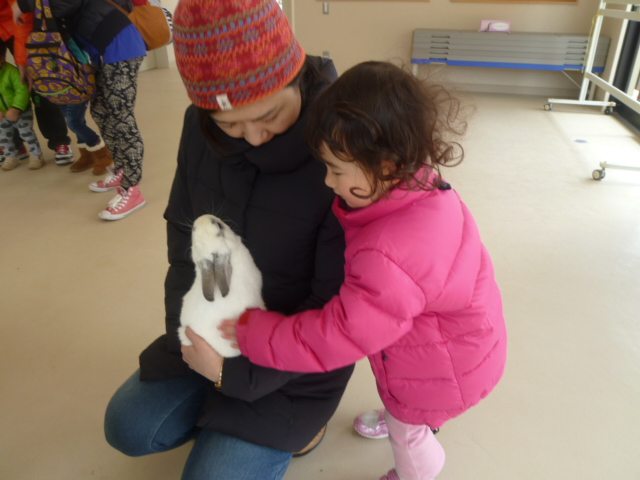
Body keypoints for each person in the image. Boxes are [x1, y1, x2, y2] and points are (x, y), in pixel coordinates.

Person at [221, 61, 509, 480]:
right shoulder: (425, 186)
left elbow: (341, 334)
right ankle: (412, 416)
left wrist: (257, 334)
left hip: (440, 371)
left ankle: (414, 469)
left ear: (387, 167)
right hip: (463, 345)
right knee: (410, 412)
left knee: (408, 435)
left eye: (336, 170)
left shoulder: (389, 254)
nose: (327, 182)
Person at [103, 0, 354, 478]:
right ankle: (221, 414)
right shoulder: (198, 128)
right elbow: (184, 245)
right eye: (230, 124)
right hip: (216, 327)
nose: (253, 137)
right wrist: (189, 336)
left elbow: (336, 306)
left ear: (296, 75)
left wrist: (238, 375)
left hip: (295, 353)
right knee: (127, 427)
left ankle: (295, 426)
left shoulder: (345, 144)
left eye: (270, 116)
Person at [14, 0, 147, 220]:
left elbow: (65, 4)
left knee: (120, 116)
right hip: (98, 50)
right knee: (101, 112)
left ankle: (133, 189)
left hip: (120, 45)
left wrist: (23, 4)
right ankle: (122, 170)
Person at [1, 0, 74, 166]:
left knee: (38, 83)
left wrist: (23, 61)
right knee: (3, 89)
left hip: (18, 23)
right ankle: (12, 144)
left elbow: (23, 20)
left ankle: (59, 141)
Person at [0, 42, 43, 170]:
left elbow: (22, 90)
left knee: (27, 133)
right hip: (3, 114)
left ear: (2, 59)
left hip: (21, 110)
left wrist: (16, 108)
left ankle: (36, 155)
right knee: (3, 136)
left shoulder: (12, 72)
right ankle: (11, 156)